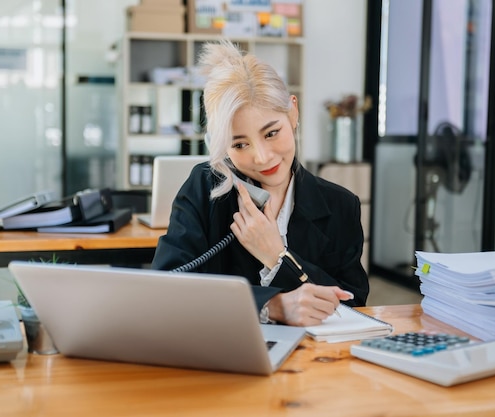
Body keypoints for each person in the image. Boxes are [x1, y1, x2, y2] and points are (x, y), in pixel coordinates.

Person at [151, 40, 369, 326]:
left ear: (293, 113)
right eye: (239, 145)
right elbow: (165, 289)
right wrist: (270, 306)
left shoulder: (341, 205)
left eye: (271, 133)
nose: (262, 157)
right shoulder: (203, 189)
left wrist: (277, 256)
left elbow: (352, 305)